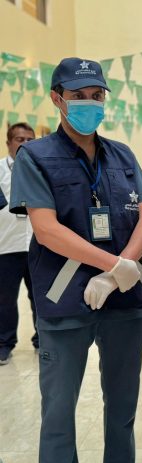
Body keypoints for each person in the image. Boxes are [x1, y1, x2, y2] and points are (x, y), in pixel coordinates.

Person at [9, 57, 142, 463]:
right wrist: (114, 265)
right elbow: (46, 229)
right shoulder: (35, 156)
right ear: (57, 99)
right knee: (58, 412)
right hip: (64, 300)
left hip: (125, 298)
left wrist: (116, 275)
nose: (89, 103)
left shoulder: (122, 155)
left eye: (96, 95)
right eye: (78, 96)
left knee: (123, 408)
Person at [0, 122, 38, 366]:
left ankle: (43, 340)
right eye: (19, 139)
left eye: (30, 140)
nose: (25, 144)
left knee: (41, 297)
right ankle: (4, 343)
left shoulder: (41, 169)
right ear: (8, 143)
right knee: (4, 300)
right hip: (5, 246)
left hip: (38, 245)